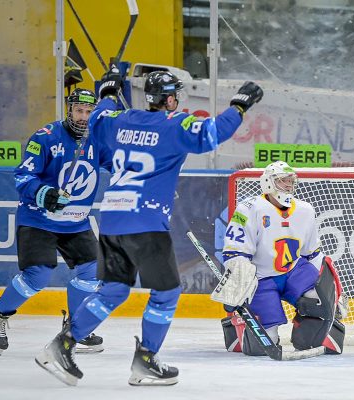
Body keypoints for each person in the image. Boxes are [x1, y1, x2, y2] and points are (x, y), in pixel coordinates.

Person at [35, 67, 263, 387]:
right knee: (167, 293)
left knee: (113, 291)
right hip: (146, 223)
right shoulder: (174, 124)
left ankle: (62, 345)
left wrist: (106, 93)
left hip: (113, 220)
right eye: (175, 96)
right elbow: (212, 133)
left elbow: (98, 118)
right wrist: (239, 106)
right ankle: (145, 361)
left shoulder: (117, 120)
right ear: (169, 100)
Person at [0, 89, 104, 356]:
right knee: (37, 276)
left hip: (75, 222)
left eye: (89, 112)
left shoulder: (97, 139)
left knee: (91, 272)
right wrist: (44, 193)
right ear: (69, 110)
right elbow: (23, 176)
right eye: (79, 111)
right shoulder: (46, 137)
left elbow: (119, 162)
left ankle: (75, 327)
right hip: (39, 219)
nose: (83, 117)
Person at [216, 161, 346, 357]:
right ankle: (238, 325)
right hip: (260, 279)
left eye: (290, 181)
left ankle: (312, 330)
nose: (288, 186)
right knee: (262, 346)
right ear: (268, 183)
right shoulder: (249, 209)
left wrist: (331, 294)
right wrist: (238, 285)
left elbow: (313, 254)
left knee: (319, 299)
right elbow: (236, 252)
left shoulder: (305, 210)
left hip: (293, 271)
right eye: (282, 181)